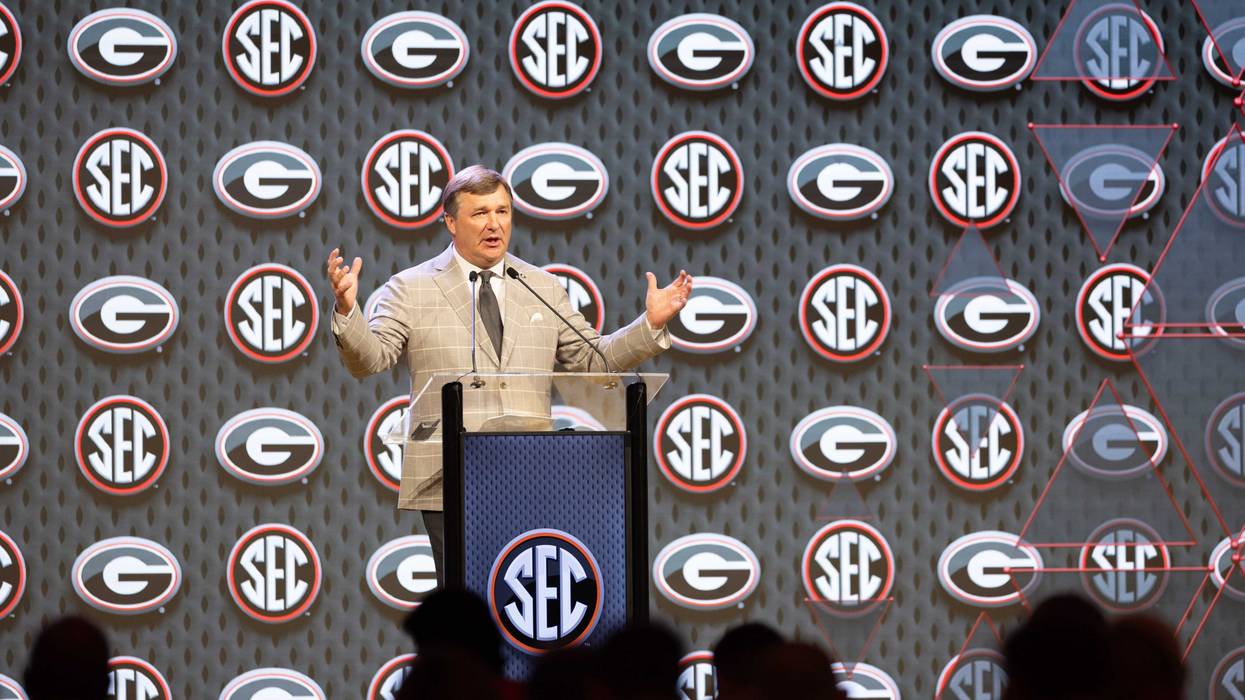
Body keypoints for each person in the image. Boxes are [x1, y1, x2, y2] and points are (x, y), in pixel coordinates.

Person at [327, 165, 691, 581]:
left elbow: (596, 361)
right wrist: (346, 310)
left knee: (524, 599)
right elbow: (371, 358)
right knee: (464, 608)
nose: (494, 224)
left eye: (503, 211)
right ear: (450, 221)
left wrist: (651, 324)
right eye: (480, 213)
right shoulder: (411, 288)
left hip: (528, 473)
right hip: (450, 476)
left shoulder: (541, 285)